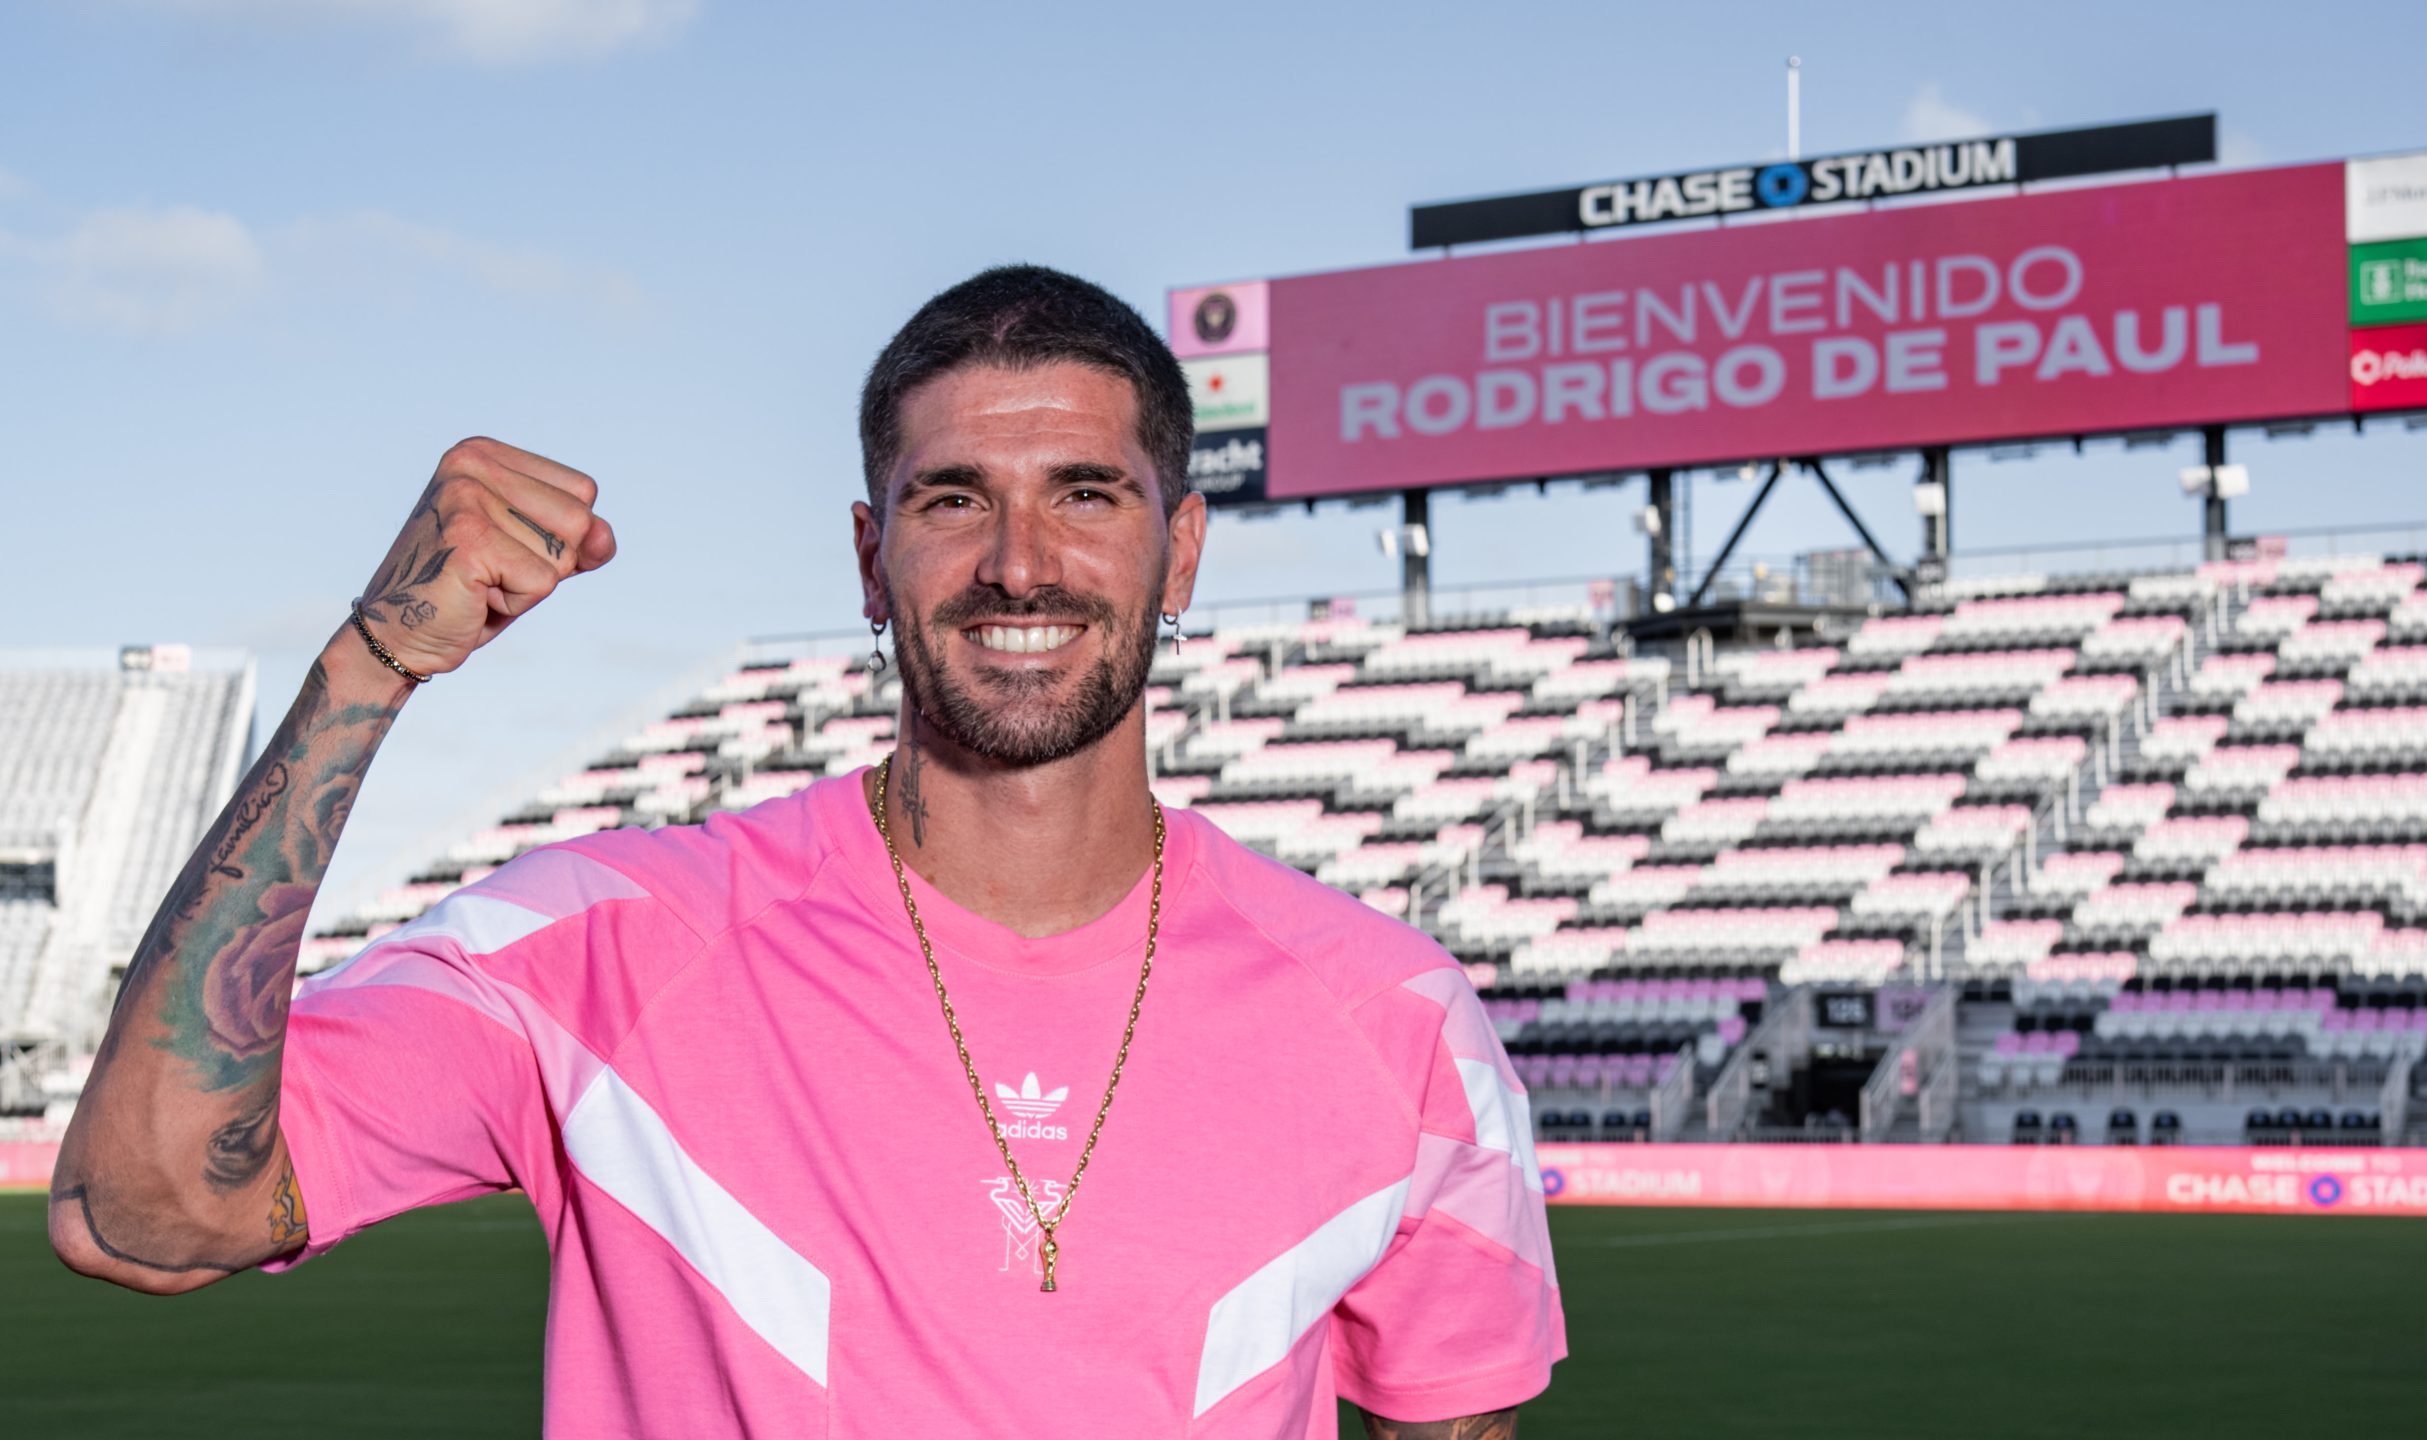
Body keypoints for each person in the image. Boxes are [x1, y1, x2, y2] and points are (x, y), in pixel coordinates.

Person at [53, 264, 1566, 1438]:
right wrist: (368, 668)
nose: (1020, 563)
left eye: (1087, 496)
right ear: (869, 557)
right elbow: (153, 1204)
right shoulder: (613, 942)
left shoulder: (1399, 1025)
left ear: (1181, 552)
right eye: (953, 498)